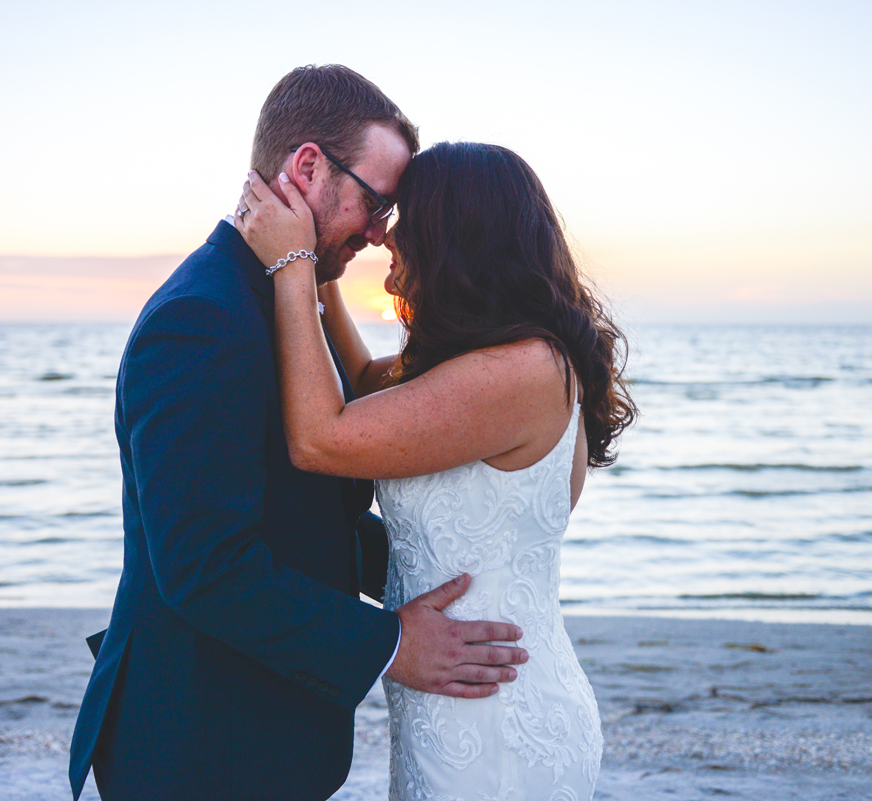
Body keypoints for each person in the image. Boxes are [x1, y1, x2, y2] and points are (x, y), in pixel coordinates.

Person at [68, 67, 528, 801]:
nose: (380, 236)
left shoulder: (285, 296)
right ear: (308, 166)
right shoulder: (203, 320)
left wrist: (455, 564)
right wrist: (393, 644)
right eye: (375, 203)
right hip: (201, 743)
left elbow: (313, 515)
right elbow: (204, 566)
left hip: (263, 736)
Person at [236, 140, 638, 799]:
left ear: (453, 243)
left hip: (499, 718)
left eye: (402, 241)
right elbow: (366, 385)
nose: (387, 260)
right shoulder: (490, 361)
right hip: (457, 701)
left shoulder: (522, 371)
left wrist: (291, 264)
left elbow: (322, 437)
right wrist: (324, 270)